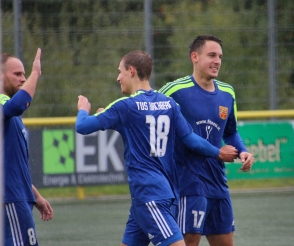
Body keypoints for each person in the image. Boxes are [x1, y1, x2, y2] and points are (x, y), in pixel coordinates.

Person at [75, 50, 239, 246]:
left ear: (132, 71)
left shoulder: (125, 106)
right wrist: (218, 152)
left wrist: (83, 110)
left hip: (150, 195)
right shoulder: (169, 103)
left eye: (120, 71)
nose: (118, 77)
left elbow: (82, 127)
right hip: (159, 195)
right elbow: (191, 140)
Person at [159, 35, 255, 246]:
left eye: (220, 56)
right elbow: (145, 104)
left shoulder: (228, 93)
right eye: (211, 55)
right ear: (195, 57)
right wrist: (113, 111)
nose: (217, 61)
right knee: (188, 242)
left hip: (218, 182)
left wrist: (242, 152)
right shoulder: (175, 90)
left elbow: (230, 132)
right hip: (188, 182)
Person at [1, 49, 53, 246]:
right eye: (17, 74)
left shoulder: (10, 117)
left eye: (24, 74)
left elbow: (10, 164)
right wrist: (36, 73)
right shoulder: (4, 105)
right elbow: (19, 104)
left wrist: (35, 195)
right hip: (10, 199)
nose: (23, 78)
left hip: (17, 196)